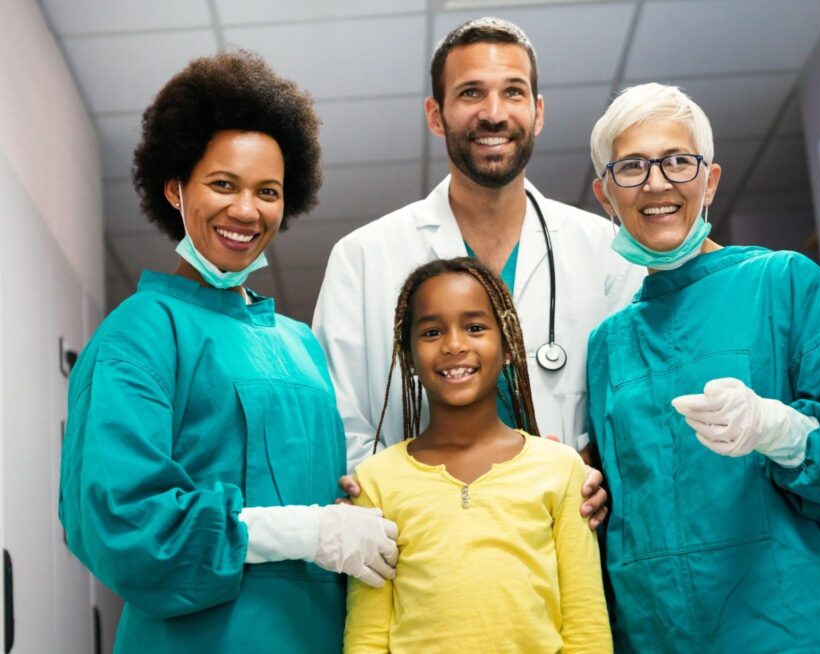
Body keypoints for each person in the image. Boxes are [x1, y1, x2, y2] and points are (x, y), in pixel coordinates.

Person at [57, 51, 398, 653]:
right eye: (222, 184)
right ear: (174, 189)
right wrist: (302, 531)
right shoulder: (137, 334)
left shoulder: (299, 345)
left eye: (268, 191)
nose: (246, 210)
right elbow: (123, 523)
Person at [585, 83, 820, 652]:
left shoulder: (785, 284)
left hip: (790, 631)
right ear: (605, 196)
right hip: (655, 636)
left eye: (677, 161)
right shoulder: (608, 345)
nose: (657, 183)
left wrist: (785, 432)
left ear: (710, 180)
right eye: (632, 167)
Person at [312, 18, 644, 527]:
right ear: (436, 114)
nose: (493, 114)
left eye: (513, 92)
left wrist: (599, 468)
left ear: (537, 113)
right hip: (421, 547)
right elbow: (341, 423)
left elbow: (632, 405)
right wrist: (398, 498)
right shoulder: (362, 256)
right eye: (470, 93)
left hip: (568, 535)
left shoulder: (605, 250)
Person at [344, 257, 612, 653]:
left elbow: (585, 624)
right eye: (432, 331)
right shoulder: (375, 481)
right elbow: (367, 635)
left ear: (507, 346)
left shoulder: (561, 469)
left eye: (474, 327)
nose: (455, 345)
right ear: (409, 357)